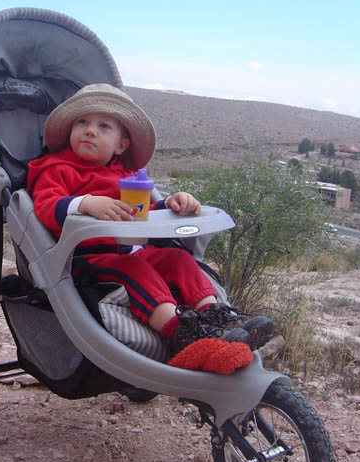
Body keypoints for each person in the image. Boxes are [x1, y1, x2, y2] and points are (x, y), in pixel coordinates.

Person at [27, 84, 273, 358]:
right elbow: (45, 206)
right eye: (82, 122)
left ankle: (217, 320)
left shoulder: (126, 176)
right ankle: (181, 334)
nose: (90, 130)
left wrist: (170, 204)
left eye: (104, 126)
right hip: (89, 259)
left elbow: (140, 211)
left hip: (135, 250)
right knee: (134, 267)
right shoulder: (57, 168)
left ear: (121, 145)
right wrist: (84, 203)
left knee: (176, 258)